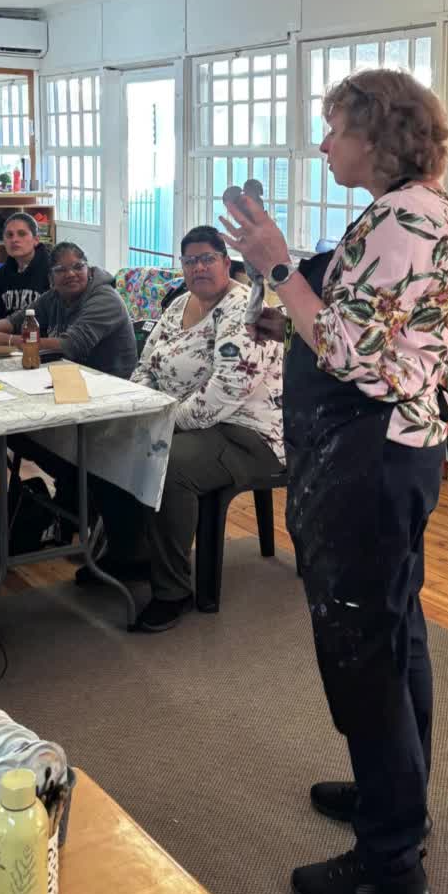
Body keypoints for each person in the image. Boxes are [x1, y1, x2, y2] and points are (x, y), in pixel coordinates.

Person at [222, 69, 448, 894]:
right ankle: (395, 799)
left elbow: (358, 359)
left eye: (334, 129)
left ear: (380, 134)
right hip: (397, 454)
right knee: (393, 629)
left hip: (372, 460)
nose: (322, 144)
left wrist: (279, 265)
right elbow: (359, 320)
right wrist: (286, 304)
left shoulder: (404, 218)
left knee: (364, 647)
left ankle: (390, 862)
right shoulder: (418, 207)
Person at [106, 225, 284, 633]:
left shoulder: (244, 310)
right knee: (113, 440)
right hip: (184, 422)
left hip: (247, 434)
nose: (198, 267)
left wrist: (164, 425)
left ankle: (173, 591)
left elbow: (228, 389)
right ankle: (130, 552)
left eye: (207, 259)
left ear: (226, 262)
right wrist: (137, 411)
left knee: (167, 464)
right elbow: (147, 364)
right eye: (190, 260)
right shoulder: (180, 304)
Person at [0, 242, 137, 379]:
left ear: (89, 270)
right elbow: (16, 320)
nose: (70, 274)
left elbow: (69, 345)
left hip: (108, 383)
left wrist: (4, 339)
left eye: (78, 267)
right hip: (71, 376)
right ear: (51, 278)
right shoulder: (55, 295)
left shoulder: (104, 299)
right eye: (61, 270)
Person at [0, 212, 52, 321]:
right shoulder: (2, 274)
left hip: (40, 335)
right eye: (9, 235)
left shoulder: (51, 270)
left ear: (36, 240)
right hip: (4, 335)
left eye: (22, 234)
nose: (14, 240)